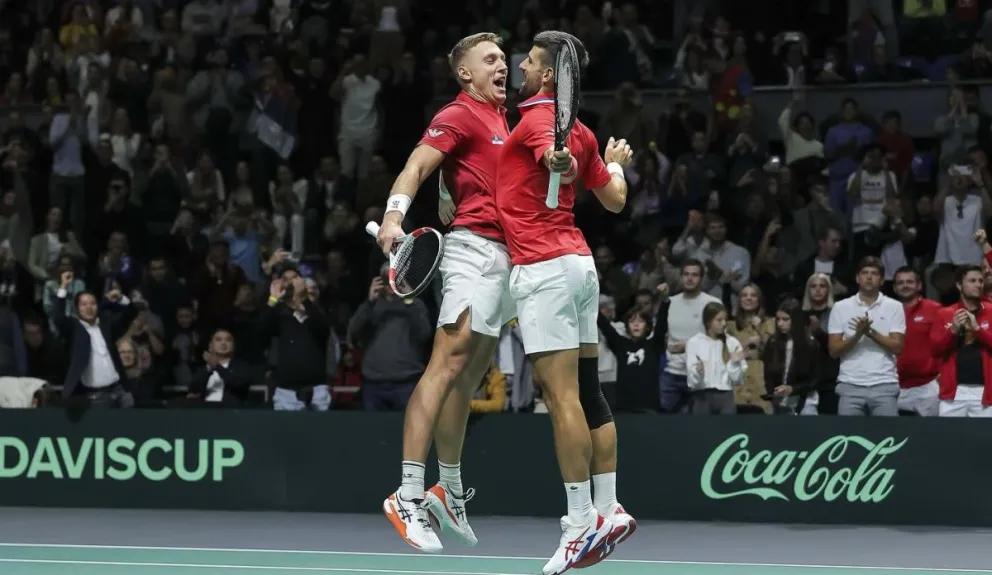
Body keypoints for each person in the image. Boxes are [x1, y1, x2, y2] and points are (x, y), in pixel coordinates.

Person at [494, 31, 634, 575]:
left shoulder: (536, 121)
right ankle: (610, 507)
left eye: (528, 62)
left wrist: (562, 163)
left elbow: (554, 158)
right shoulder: (582, 129)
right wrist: (610, 164)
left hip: (544, 270)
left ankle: (579, 524)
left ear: (550, 75)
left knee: (561, 399)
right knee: (589, 390)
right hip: (579, 267)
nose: (520, 68)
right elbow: (615, 200)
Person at [375, 32, 512, 553]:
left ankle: (448, 491)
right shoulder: (458, 113)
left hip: (507, 258)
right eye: (491, 59)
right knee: (445, 366)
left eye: (504, 58)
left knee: (468, 379)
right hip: (472, 252)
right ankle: (407, 493)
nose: (502, 65)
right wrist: (394, 216)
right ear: (465, 73)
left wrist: (446, 188)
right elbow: (416, 165)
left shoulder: (503, 120)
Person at [827, 257, 905, 416]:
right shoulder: (840, 307)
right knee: (848, 432)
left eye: (874, 273)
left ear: (881, 280)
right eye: (865, 273)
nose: (869, 277)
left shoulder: (895, 306)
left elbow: (898, 348)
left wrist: (870, 333)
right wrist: (857, 335)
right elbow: (833, 351)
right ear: (857, 278)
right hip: (850, 385)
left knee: (889, 432)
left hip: (884, 384)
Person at [931, 265, 992, 417]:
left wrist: (978, 329)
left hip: (985, 393)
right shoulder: (944, 314)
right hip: (953, 393)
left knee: (985, 433)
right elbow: (935, 350)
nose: (978, 284)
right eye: (972, 281)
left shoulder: (991, 311)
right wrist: (952, 331)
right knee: (948, 433)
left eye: (980, 281)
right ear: (959, 285)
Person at [891, 266, 941, 416]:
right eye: (900, 283)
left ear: (919, 285)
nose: (905, 286)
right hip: (896, 386)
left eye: (909, 282)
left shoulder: (935, 309)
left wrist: (943, 375)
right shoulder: (887, 312)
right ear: (894, 288)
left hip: (929, 386)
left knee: (931, 430)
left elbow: (949, 342)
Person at [686, 302, 747, 414]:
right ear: (708, 322)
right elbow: (692, 382)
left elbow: (737, 379)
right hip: (702, 397)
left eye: (725, 320)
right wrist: (698, 372)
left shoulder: (732, 343)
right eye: (719, 320)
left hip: (726, 397)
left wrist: (734, 363)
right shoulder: (694, 342)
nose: (724, 323)